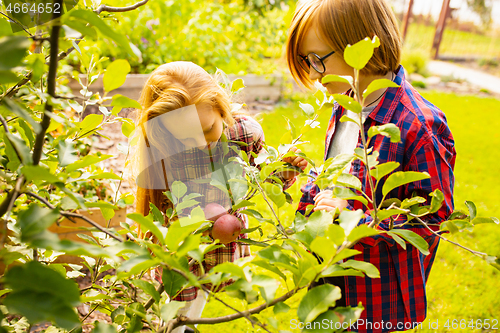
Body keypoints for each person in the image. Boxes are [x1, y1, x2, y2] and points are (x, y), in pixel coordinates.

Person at [285, 0, 456, 332]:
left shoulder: (418, 127)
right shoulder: (346, 107)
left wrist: (354, 221)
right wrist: (308, 197)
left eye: (318, 59)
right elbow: (335, 183)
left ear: (361, 46)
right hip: (332, 284)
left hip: (377, 303)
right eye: (306, 61)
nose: (312, 74)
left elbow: (430, 221)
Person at [130, 61, 307, 333]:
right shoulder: (165, 145)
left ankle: (182, 328)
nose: (201, 144)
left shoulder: (243, 134)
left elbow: (263, 176)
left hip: (225, 236)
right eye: (186, 138)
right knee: (179, 300)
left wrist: (283, 169)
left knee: (199, 299)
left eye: (206, 129)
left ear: (220, 106)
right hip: (184, 239)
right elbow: (158, 201)